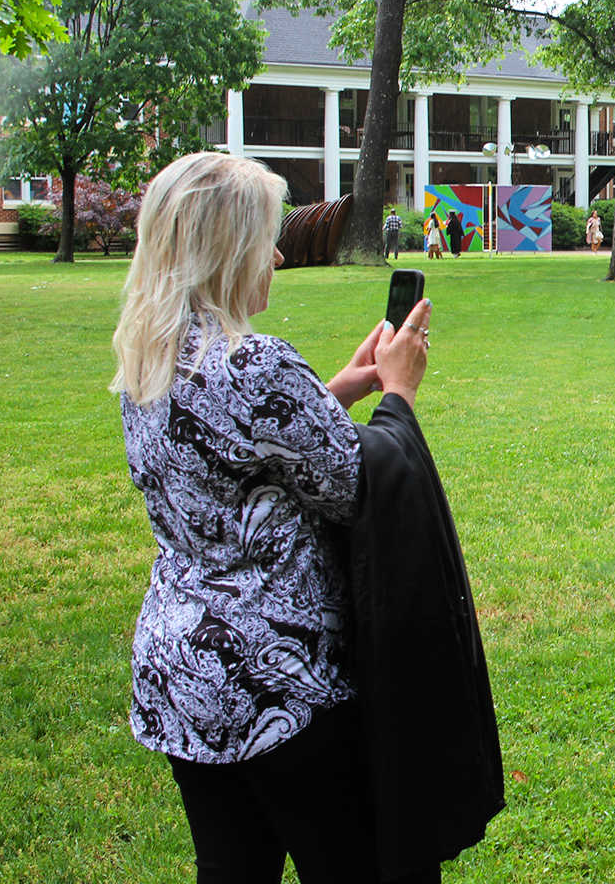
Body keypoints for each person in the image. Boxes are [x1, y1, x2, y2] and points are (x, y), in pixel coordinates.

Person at [113, 152, 501, 882]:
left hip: (183, 673)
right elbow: (360, 487)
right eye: (266, 238)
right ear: (225, 250)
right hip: (279, 684)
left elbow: (235, 457)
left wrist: (341, 389)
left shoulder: (146, 358)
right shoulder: (253, 365)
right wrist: (399, 393)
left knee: (233, 866)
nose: (281, 253)